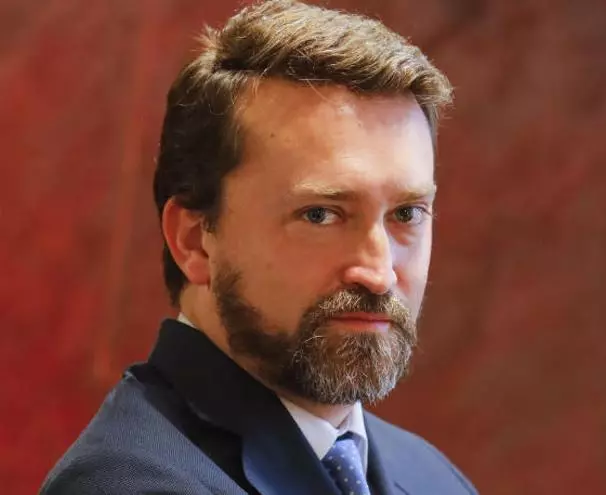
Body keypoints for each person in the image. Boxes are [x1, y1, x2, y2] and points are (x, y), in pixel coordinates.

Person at [41, 1, 475, 493]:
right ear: (194, 241)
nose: (379, 273)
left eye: (407, 214)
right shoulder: (126, 483)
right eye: (320, 214)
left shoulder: (433, 478)